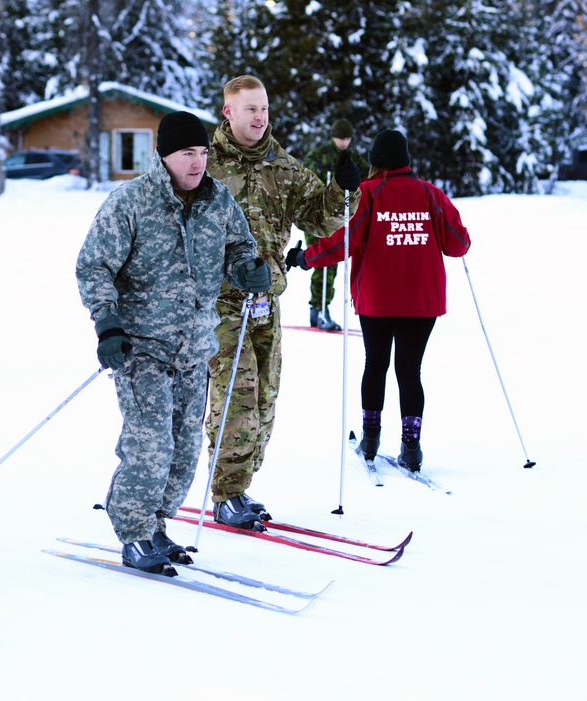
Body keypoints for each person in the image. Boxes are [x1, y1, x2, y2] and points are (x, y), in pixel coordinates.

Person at [75, 111, 270, 573]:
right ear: (164, 156)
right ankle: (134, 532)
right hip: (140, 346)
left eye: (202, 153)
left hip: (194, 347)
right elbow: (93, 265)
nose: (198, 162)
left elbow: (239, 247)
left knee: (183, 446)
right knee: (151, 442)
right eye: (188, 153)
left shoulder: (217, 200)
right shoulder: (131, 202)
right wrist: (107, 323)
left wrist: (248, 268)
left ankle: (158, 524)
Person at [204, 75, 361, 530]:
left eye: (265, 109)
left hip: (265, 305)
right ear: (228, 113)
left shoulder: (284, 166)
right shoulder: (204, 166)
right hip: (219, 305)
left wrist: (343, 192)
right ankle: (227, 492)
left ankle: (240, 485)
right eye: (250, 109)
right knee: (238, 397)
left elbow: (322, 217)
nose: (260, 118)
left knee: (266, 401)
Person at [286, 128, 471, 471]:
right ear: (406, 161)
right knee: (409, 370)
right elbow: (458, 244)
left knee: (376, 364)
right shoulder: (431, 194)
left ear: (373, 162)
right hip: (422, 301)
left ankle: (370, 440)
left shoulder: (368, 193)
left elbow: (345, 242)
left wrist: (304, 258)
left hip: (378, 299)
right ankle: (411, 447)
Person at [302, 118, 370, 331]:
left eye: (347, 138)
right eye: (340, 138)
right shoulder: (319, 156)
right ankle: (319, 307)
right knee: (324, 262)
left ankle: (319, 308)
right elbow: (307, 182)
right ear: (332, 136)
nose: (343, 142)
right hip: (317, 217)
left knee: (331, 263)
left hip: (342, 218)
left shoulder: (354, 159)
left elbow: (369, 177)